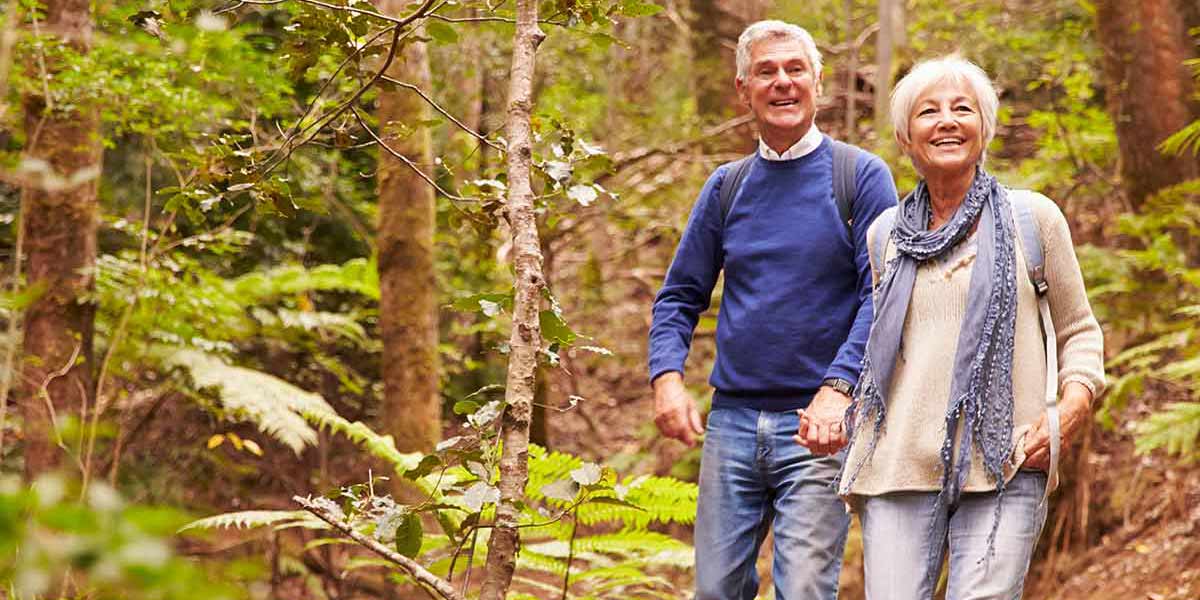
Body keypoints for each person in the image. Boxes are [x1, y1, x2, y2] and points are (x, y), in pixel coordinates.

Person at [834, 55, 1106, 599]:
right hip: (898, 464)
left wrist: (1072, 407)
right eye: (928, 112)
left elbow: (1079, 330)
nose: (947, 121)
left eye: (963, 108)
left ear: (985, 127)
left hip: (1005, 460)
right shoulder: (885, 234)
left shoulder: (1034, 220)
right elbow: (881, 347)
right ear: (905, 137)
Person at [647, 20, 897, 600]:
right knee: (715, 591)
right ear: (743, 89)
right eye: (766, 71)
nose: (782, 83)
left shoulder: (858, 177)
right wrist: (666, 379)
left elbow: (883, 297)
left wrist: (839, 389)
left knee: (805, 590)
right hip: (731, 423)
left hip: (819, 429)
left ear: (818, 82)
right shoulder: (726, 187)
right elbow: (680, 295)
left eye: (795, 69)